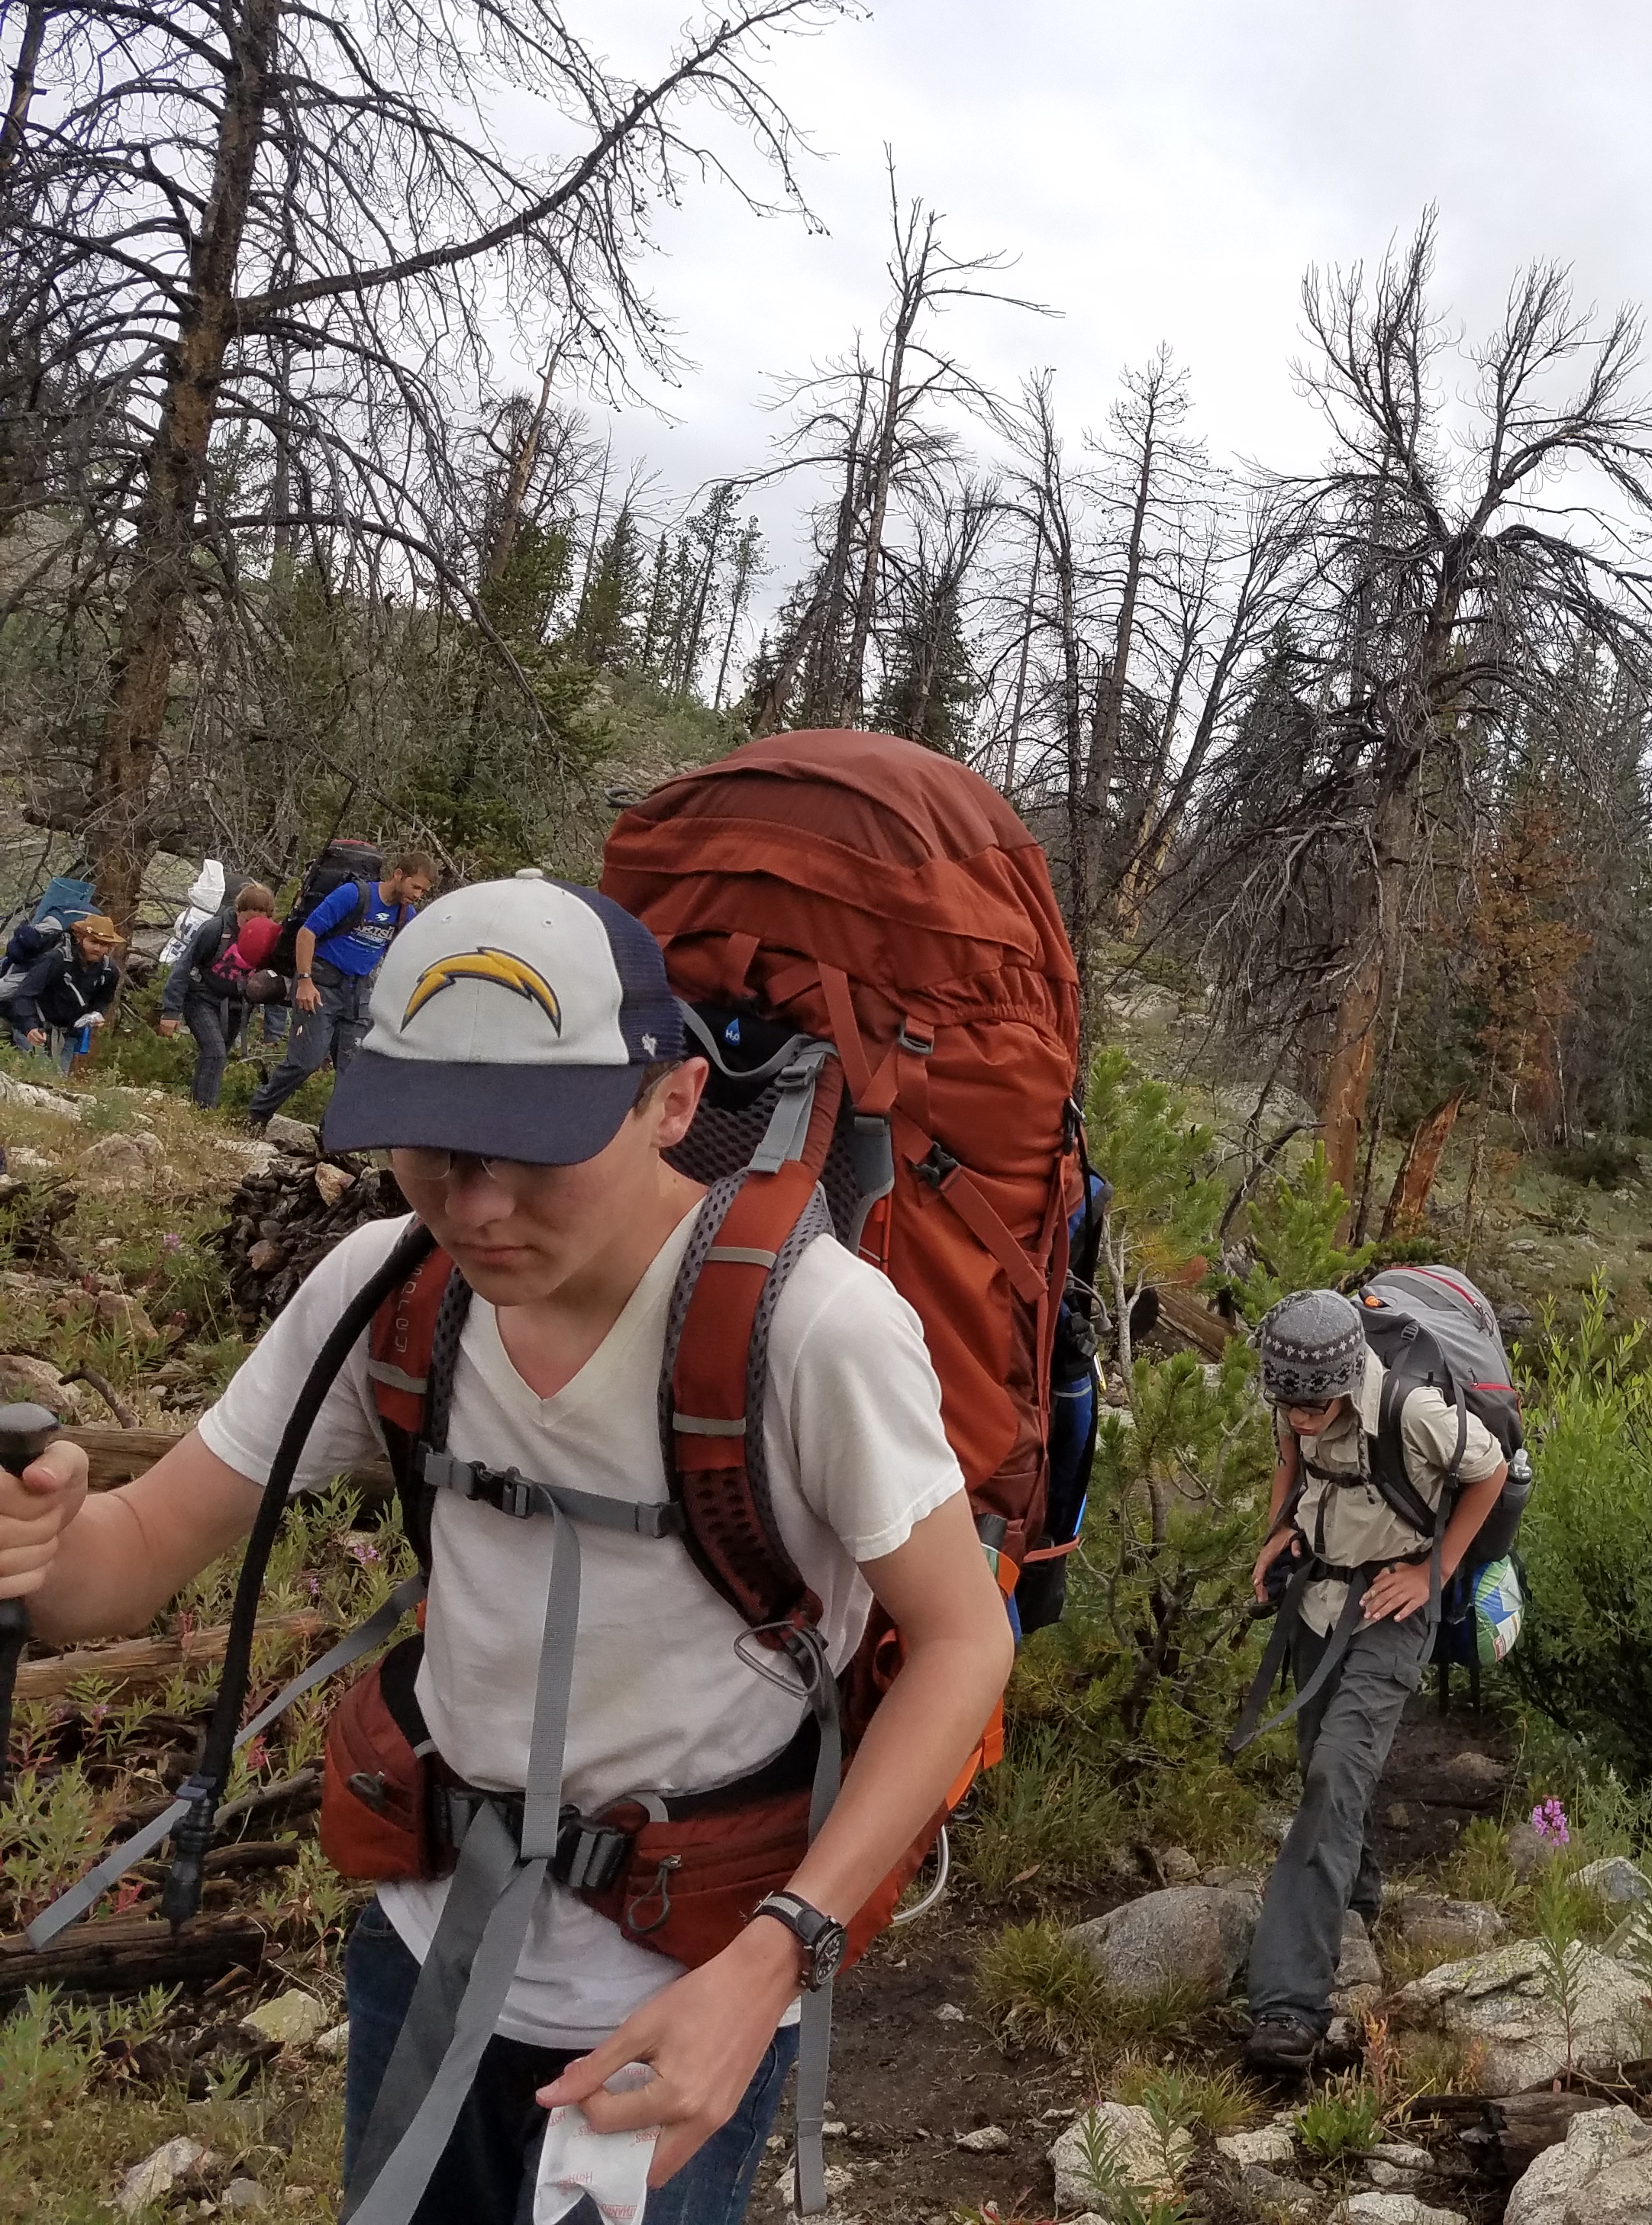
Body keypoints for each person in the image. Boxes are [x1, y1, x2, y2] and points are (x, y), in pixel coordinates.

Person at [0, 874, 1013, 2217]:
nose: (474, 1205)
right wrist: (38, 1536)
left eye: (530, 1147)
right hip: (425, 1943)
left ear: (668, 1102)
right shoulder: (382, 1289)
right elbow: (122, 1561)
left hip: (687, 1975)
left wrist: (773, 1961)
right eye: (431, 1143)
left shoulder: (816, 1327)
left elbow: (961, 1639)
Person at [1240, 1289, 1506, 2077]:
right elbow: (1292, 1460)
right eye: (1287, 1401)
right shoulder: (1296, 1404)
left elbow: (1489, 1472)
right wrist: (1278, 1533)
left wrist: (1438, 1569)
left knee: (1331, 1774)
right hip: (1317, 1597)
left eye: (1315, 1402)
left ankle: (1287, 2005)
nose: (1301, 1416)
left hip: (1393, 1610)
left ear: (1347, 1373)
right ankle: (1355, 1899)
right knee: (1319, 1757)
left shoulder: (1412, 1410)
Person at [244, 848, 436, 1126]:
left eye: (423, 891)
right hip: (321, 983)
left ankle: (333, 1138)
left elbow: (402, 957)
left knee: (353, 1071)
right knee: (305, 1061)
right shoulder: (354, 895)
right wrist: (305, 981)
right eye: (415, 886)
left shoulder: (406, 914)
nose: (418, 894)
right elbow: (307, 933)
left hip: (357, 993)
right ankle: (256, 1116)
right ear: (398, 875)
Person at [159, 881, 281, 1109]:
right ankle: (204, 1112)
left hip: (237, 1006)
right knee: (215, 1052)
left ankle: (197, 1107)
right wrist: (171, 1010)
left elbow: (274, 984)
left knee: (217, 1056)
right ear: (237, 912)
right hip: (202, 998)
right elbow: (184, 967)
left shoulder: (271, 940)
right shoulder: (215, 930)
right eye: (247, 921)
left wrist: (273, 1031)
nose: (250, 928)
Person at [1, 911, 122, 1069]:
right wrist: (29, 1027)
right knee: (41, 1077)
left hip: (68, 1035)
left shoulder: (109, 971)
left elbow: (104, 1000)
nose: (98, 948)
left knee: (57, 1083)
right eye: (94, 942)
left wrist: (97, 1013)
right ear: (80, 938)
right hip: (35, 1028)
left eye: (104, 944)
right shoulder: (55, 959)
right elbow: (24, 995)